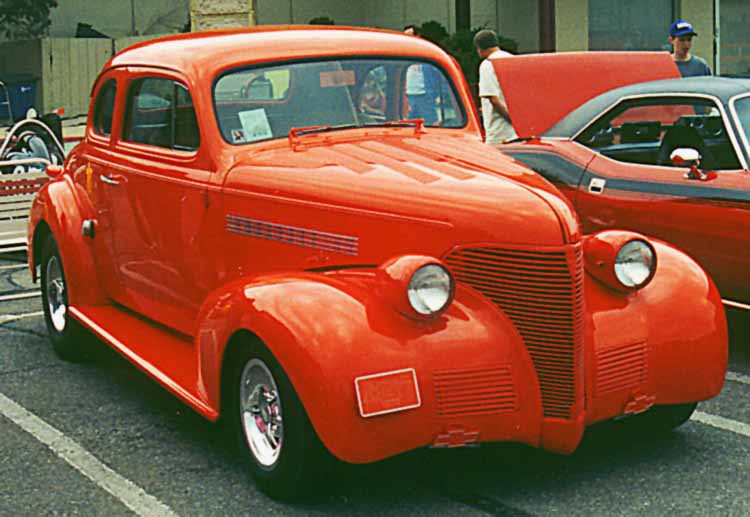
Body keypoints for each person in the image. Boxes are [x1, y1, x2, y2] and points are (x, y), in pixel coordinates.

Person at [474, 29, 517, 144]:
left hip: (499, 132)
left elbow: (493, 99)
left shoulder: (488, 64)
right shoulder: (514, 60)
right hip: (517, 133)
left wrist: (512, 120)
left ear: (479, 49)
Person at [404, 25, 439, 125]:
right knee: (407, 125)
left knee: (430, 124)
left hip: (425, 95)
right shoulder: (402, 54)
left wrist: (436, 95)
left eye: (410, 36)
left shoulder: (426, 53)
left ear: (417, 36)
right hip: (408, 95)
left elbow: (436, 76)